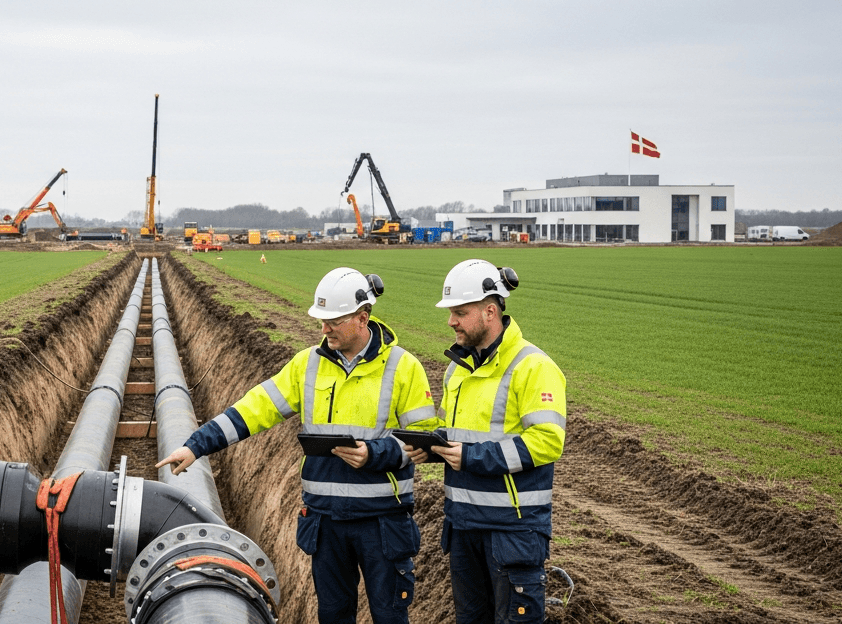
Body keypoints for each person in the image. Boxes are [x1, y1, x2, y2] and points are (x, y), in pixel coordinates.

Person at [158, 267, 438, 624]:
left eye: (332, 320)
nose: (323, 329)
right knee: (333, 615)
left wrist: (374, 454)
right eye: (321, 320)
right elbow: (252, 410)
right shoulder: (307, 365)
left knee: (389, 615)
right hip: (326, 521)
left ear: (361, 317)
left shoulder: (403, 368)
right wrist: (196, 446)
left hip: (382, 523)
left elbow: (423, 442)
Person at [406, 259, 566, 624]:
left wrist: (474, 458)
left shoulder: (533, 367)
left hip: (512, 532)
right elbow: (460, 435)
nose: (451, 321)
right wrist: (431, 447)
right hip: (464, 528)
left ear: (490, 311)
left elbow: (546, 441)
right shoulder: (457, 369)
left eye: (460, 313)